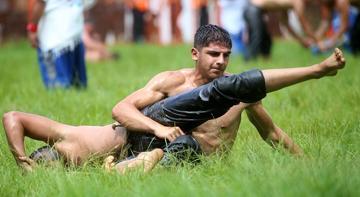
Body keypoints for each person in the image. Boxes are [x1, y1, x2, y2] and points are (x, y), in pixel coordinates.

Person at [3, 25, 345, 173]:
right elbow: (121, 109)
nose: (220, 62)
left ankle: (121, 170)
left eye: (226, 56)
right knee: (172, 147)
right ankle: (316, 69)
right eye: (213, 54)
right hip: (157, 146)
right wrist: (159, 128)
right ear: (195, 53)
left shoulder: (237, 91)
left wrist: (304, 161)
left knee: (226, 96)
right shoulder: (172, 81)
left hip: (189, 158)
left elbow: (271, 134)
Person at [27, 0, 88, 88]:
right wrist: (32, 28)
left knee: (66, 86)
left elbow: (40, 3)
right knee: (70, 87)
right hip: (57, 42)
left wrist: (32, 28)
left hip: (66, 40)